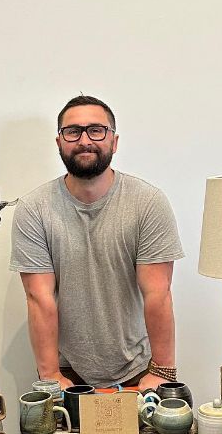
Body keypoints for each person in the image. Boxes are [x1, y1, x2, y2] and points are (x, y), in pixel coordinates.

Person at [10, 94, 184, 392]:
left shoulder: (147, 203)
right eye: (73, 131)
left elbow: (157, 292)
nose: (84, 140)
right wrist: (50, 374)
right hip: (66, 371)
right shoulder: (34, 208)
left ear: (114, 141)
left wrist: (162, 371)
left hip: (138, 370)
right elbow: (39, 298)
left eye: (96, 130)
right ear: (59, 143)